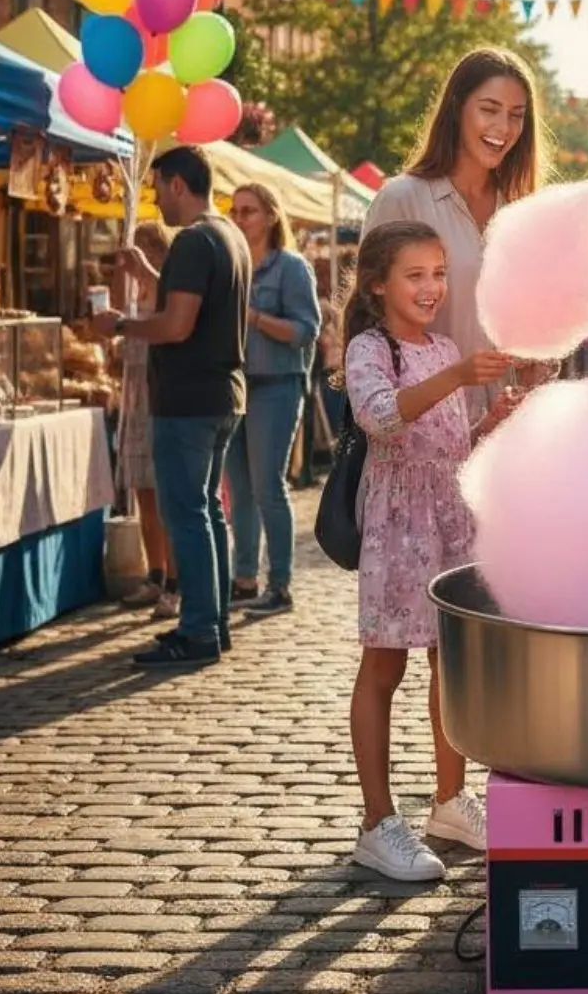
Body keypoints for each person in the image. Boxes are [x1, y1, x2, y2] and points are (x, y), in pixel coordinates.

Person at [343, 219, 518, 880]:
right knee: (384, 669)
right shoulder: (369, 347)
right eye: (415, 275)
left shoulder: (445, 346)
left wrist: (488, 424)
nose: (431, 287)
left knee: (453, 666)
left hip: (450, 521)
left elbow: (448, 444)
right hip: (397, 526)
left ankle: (450, 800)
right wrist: (456, 376)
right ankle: (377, 820)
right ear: (378, 284)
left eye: (439, 273)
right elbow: (382, 417)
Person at [94, 146, 251, 670]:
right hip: (222, 394)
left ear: (179, 185)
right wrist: (145, 275)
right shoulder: (227, 235)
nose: (155, 196)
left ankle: (199, 629)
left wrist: (119, 324)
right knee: (207, 512)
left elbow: (178, 324)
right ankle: (213, 624)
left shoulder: (191, 240)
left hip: (188, 400)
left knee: (187, 514)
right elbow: (191, 304)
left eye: (157, 186)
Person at [362, 47, 547, 418]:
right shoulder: (402, 199)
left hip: (507, 426)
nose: (503, 128)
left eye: (516, 116)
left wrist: (538, 361)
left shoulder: (525, 212)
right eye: (489, 109)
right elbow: (368, 322)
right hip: (421, 428)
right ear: (458, 108)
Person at [225, 183, 322, 617]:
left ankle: (279, 585)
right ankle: (244, 579)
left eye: (248, 210)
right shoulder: (232, 266)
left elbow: (306, 330)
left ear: (270, 215)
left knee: (268, 485)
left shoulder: (291, 267)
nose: (240, 218)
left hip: (277, 385)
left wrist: (255, 318)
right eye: (235, 211)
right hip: (235, 386)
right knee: (238, 490)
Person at [114, 221, 178, 617]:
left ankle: (174, 578)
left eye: (144, 249)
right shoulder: (135, 291)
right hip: (134, 397)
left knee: (167, 496)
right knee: (143, 493)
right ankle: (154, 572)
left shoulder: (167, 288)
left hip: (160, 396)